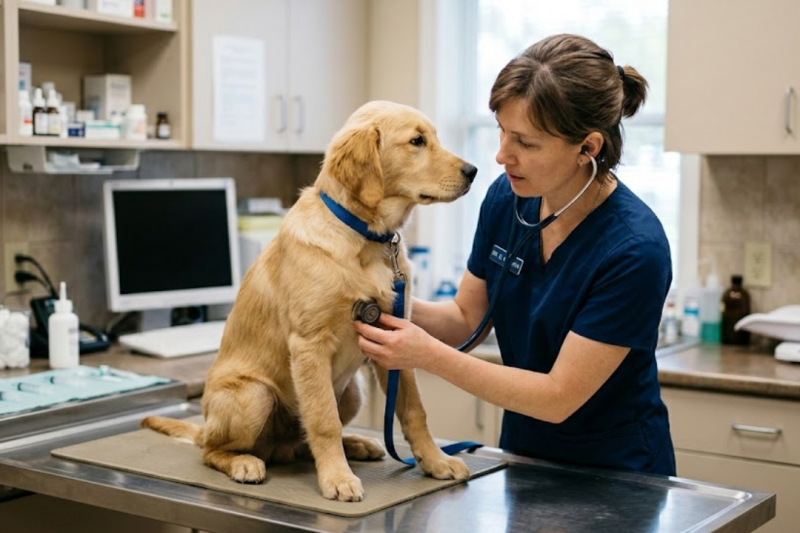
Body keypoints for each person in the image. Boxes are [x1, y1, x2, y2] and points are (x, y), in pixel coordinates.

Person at [354, 34, 676, 476]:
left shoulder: (634, 250)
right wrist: (379, 304)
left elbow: (559, 396)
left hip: (616, 474)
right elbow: (465, 316)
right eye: (502, 131)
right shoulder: (507, 199)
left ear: (588, 148)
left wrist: (424, 354)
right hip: (523, 457)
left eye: (525, 143)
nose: (502, 155)